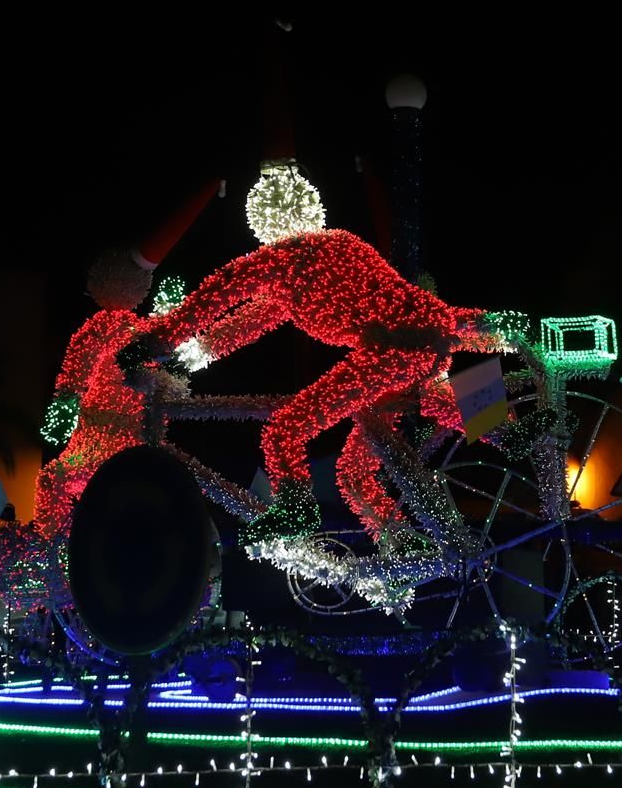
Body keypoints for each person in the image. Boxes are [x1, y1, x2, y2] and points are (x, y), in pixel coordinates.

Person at [147, 161, 499, 553]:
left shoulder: (281, 258)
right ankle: (509, 436)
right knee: (356, 470)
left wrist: (159, 340)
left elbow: (217, 295)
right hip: (432, 335)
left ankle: (297, 509)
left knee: (286, 429)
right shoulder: (341, 245)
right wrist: (198, 352)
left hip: (393, 350)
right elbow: (251, 320)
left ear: (263, 224)